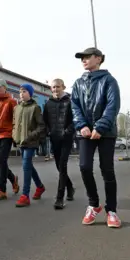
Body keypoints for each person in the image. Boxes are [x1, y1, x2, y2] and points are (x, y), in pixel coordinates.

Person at [71, 47, 122, 228]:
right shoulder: (78, 83)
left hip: (106, 132)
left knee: (107, 169)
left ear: (98, 59)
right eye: (82, 58)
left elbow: (113, 105)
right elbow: (74, 105)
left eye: (87, 57)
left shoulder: (109, 81)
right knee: (84, 166)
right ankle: (93, 205)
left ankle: (112, 210)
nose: (83, 60)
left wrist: (100, 126)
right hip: (85, 133)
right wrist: (82, 125)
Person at [43, 78, 76, 210]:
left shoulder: (70, 102)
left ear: (63, 87)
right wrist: (48, 132)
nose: (55, 89)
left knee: (62, 165)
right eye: (53, 87)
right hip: (54, 139)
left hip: (66, 139)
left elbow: (75, 120)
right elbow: (44, 120)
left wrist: (67, 132)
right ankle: (70, 187)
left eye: (58, 87)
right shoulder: (48, 103)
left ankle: (59, 198)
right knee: (59, 166)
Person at [13, 84, 47, 207]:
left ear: (30, 94)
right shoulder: (17, 108)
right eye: (20, 91)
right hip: (20, 141)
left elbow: (41, 126)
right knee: (28, 165)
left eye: (24, 91)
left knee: (26, 164)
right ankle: (40, 186)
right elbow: (15, 124)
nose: (21, 94)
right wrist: (14, 136)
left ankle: (25, 195)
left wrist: (30, 136)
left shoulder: (35, 107)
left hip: (31, 142)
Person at [0, 78, 20, 201]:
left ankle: (2, 190)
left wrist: (16, 136)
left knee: (2, 159)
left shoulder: (11, 102)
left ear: (5, 87)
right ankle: (12, 178)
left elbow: (16, 120)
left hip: (7, 134)